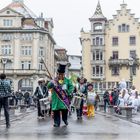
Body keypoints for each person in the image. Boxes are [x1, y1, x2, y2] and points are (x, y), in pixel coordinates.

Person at [47, 63, 74, 127]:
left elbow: (71, 87)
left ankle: (65, 119)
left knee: (64, 110)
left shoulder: (67, 80)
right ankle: (56, 122)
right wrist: (51, 83)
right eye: (59, 74)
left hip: (64, 98)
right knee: (56, 111)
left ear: (63, 74)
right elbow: (48, 86)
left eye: (61, 74)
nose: (60, 75)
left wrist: (68, 92)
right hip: (56, 98)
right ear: (57, 74)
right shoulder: (54, 80)